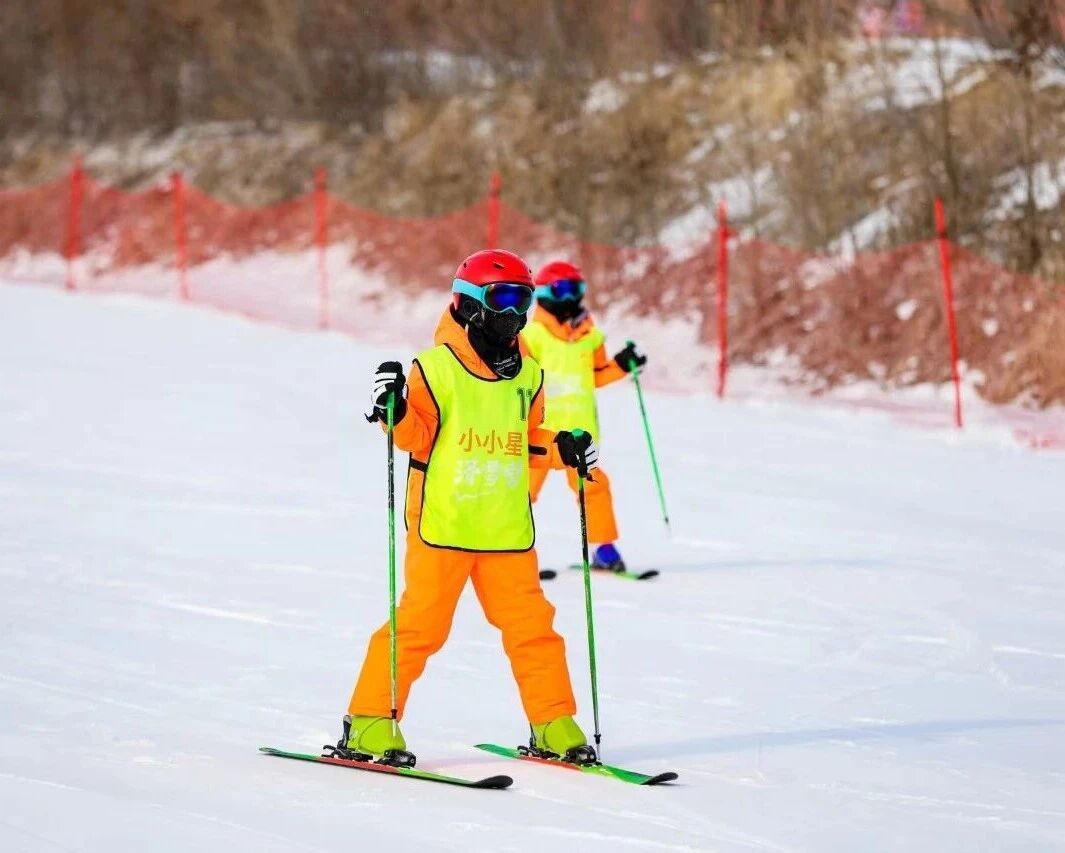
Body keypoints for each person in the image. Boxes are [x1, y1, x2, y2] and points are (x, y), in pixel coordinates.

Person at [341, 249, 600, 765]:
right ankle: (370, 722)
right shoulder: (433, 369)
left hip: (504, 528)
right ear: (471, 302)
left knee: (534, 629)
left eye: (524, 297)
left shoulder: (528, 374)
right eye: (505, 296)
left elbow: (526, 440)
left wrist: (562, 447)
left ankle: (552, 723)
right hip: (444, 522)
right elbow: (417, 437)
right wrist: (392, 410)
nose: (516, 310)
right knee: (421, 627)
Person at [520, 260, 647, 573]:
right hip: (540, 432)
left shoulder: (591, 336)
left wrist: (622, 364)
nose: (569, 298)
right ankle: (507, 554)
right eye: (562, 290)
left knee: (593, 488)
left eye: (576, 290)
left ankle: (603, 549)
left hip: (580, 433)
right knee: (519, 491)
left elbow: (596, 376)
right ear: (545, 293)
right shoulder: (532, 336)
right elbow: (518, 378)